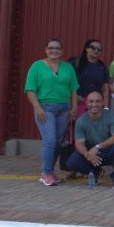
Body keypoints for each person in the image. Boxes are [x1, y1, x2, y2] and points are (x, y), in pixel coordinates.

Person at [25, 38, 79, 186]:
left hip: (64, 109)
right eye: (51, 48)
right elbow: (30, 89)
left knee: (58, 142)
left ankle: (50, 172)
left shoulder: (68, 67)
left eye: (57, 48)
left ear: (61, 51)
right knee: (50, 140)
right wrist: (38, 108)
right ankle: (46, 173)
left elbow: (73, 89)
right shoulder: (37, 66)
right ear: (46, 50)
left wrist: (74, 107)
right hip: (45, 108)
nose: (54, 50)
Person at [67, 91, 114, 189]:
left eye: (97, 101)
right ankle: (95, 171)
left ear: (102, 103)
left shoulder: (110, 116)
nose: (94, 104)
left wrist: (98, 147)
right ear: (86, 103)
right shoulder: (81, 120)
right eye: (91, 101)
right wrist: (87, 154)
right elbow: (79, 144)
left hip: (106, 149)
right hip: (91, 152)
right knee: (72, 162)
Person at [68, 39, 109, 116]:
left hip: (95, 105)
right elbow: (66, 82)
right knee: (77, 126)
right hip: (78, 103)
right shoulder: (75, 63)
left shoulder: (102, 66)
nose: (96, 50)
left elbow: (105, 89)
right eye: (93, 48)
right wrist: (73, 97)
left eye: (99, 49)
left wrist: (106, 107)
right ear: (86, 49)